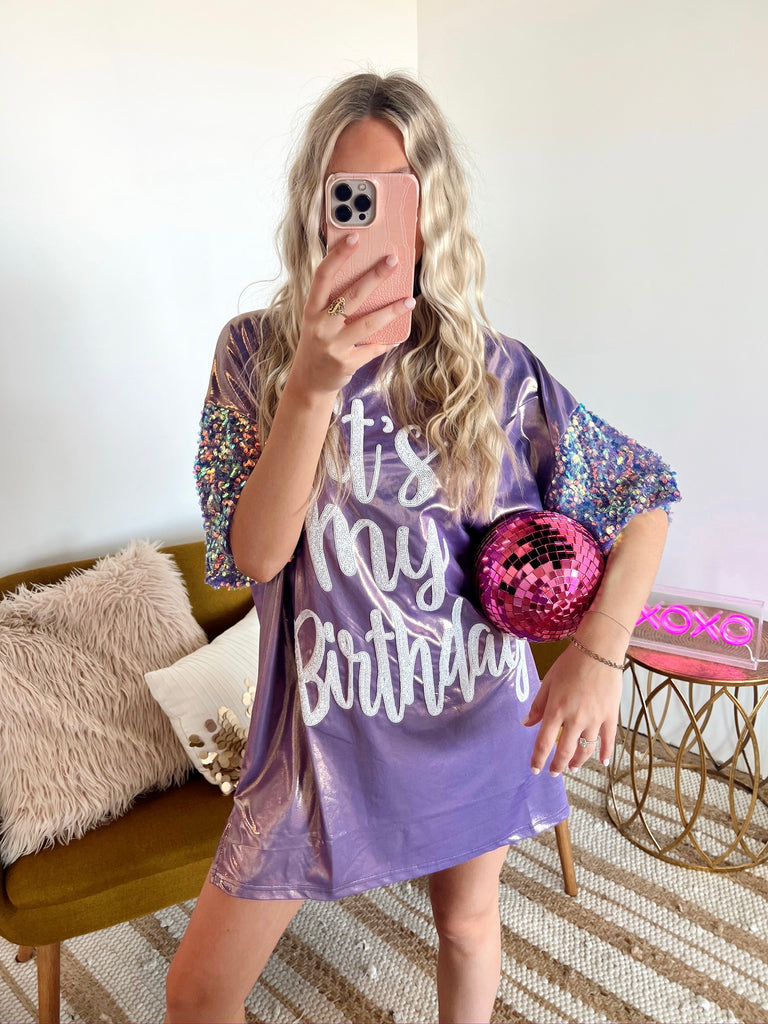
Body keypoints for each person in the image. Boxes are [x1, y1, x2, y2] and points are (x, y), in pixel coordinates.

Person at [167, 72, 680, 1024]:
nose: (364, 223)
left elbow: (642, 495)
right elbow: (259, 556)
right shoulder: (254, 355)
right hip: (317, 734)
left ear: (430, 208)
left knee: (468, 927)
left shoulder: (497, 372)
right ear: (315, 204)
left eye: (391, 195)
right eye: (346, 196)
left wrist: (599, 655)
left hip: (471, 713)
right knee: (197, 994)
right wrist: (311, 387)